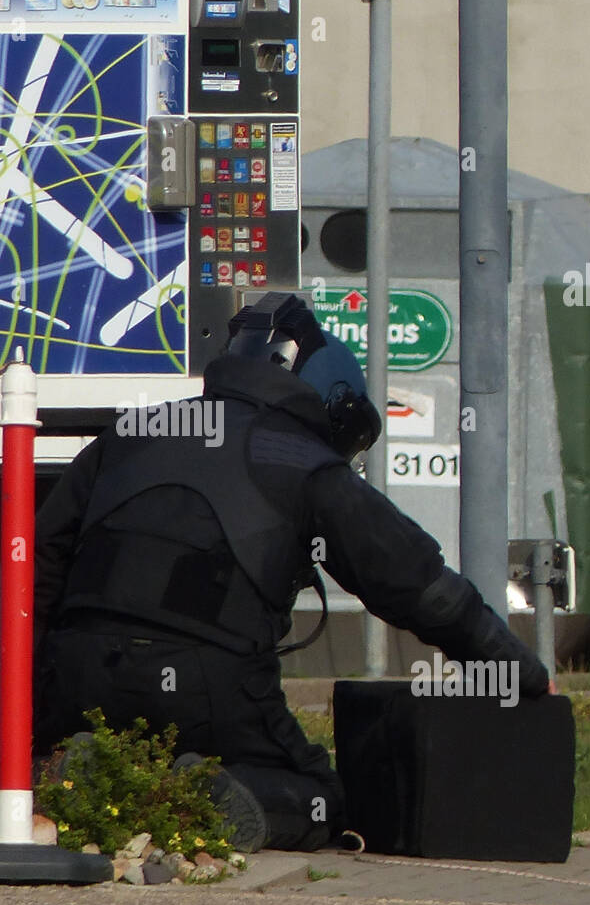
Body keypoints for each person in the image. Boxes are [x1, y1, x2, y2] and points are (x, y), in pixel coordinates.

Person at [32, 292, 550, 852]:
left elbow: (38, 565)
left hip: (78, 673)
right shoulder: (307, 465)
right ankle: (204, 797)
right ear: (330, 399)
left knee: (113, 749)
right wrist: (515, 668)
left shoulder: (132, 434)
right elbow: (419, 587)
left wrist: (39, 702)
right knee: (319, 795)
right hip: (209, 681)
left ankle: (78, 767)